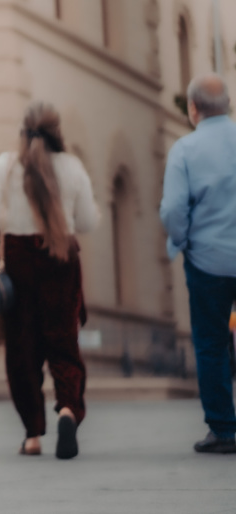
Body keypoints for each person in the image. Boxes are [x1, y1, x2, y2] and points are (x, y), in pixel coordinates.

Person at [0, 101, 99, 459]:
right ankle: (67, 410)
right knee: (64, 344)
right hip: (61, 259)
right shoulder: (72, 167)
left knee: (22, 349)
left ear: (22, 131)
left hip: (19, 261)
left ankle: (32, 434)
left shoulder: (6, 165)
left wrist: (3, 231)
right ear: (57, 131)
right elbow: (88, 221)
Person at [159, 73, 236, 455]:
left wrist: (183, 239)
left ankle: (223, 430)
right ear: (228, 105)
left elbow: (173, 209)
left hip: (208, 261)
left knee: (211, 343)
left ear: (192, 109)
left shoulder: (185, 150)